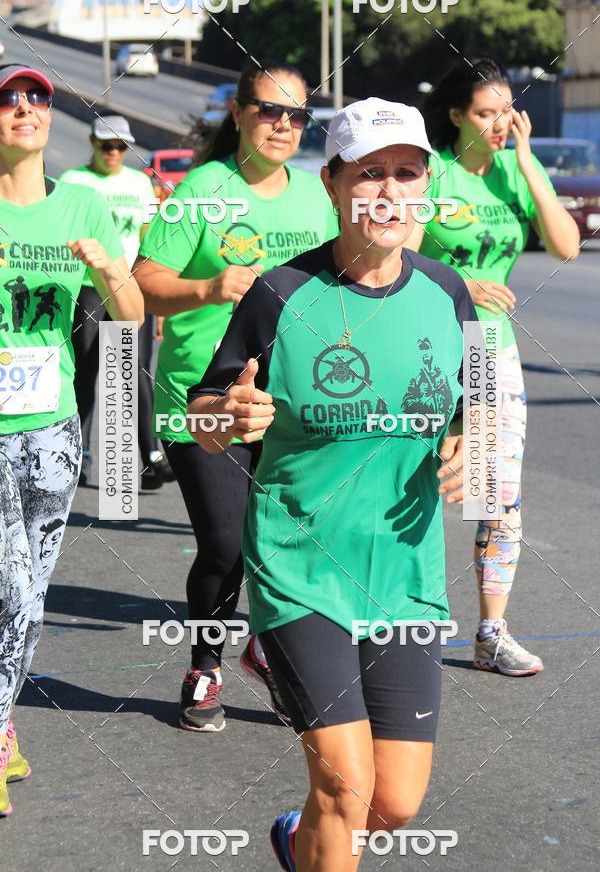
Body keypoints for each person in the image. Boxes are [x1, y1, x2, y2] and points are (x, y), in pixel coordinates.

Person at [187, 97, 477, 871]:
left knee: (393, 804)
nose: (389, 191)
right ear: (333, 184)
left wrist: (467, 441)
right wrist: (229, 412)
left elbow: (475, 406)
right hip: (302, 568)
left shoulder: (449, 293)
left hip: (407, 575)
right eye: (369, 173)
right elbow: (204, 411)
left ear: (427, 186)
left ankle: (294, 841)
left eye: (407, 173)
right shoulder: (281, 294)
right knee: (346, 786)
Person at [134, 59, 339, 733]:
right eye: (268, 110)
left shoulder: (316, 196)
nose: (282, 125)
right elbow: (142, 283)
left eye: (296, 115)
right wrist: (208, 289)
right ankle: (204, 665)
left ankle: (270, 651)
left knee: (288, 543)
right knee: (224, 542)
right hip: (206, 398)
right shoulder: (204, 189)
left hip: (291, 401)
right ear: (239, 113)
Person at [0, 64, 144, 817]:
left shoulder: (83, 202)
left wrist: (112, 268)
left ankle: (1, 720)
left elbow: (130, 316)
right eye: (7, 99)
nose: (24, 109)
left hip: (54, 428)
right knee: (11, 588)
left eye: (38, 98)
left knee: (32, 594)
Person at [415, 57, 580, 675]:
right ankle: (385, 618)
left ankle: (490, 633)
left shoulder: (515, 169)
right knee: (412, 486)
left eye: (506, 112)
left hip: (491, 355)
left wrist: (528, 157)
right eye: (485, 113)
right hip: (426, 347)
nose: (498, 123)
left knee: (497, 496)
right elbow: (395, 256)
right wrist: (463, 282)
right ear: (456, 115)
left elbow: (566, 244)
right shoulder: (430, 174)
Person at [60, 116, 173, 490]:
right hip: (90, 284)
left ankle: (150, 456)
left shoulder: (140, 183)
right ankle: (79, 454)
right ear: (91, 142)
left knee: (135, 372)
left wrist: (150, 291)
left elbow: (148, 239)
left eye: (121, 147)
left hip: (128, 285)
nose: (113, 153)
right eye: (106, 145)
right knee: (87, 370)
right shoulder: (74, 182)